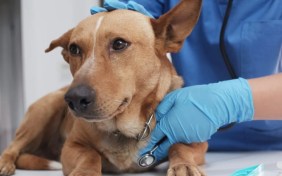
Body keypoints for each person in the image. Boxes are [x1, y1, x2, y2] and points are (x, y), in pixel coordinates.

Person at [98, 0, 282, 162]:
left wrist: (233, 101)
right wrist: (119, 28)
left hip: (272, 152)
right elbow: (132, 27)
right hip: (183, 141)